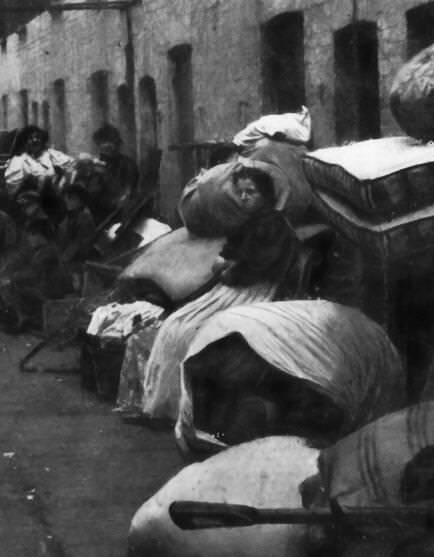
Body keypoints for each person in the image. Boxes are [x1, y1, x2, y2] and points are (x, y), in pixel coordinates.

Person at [119, 165, 299, 421]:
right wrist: (225, 260)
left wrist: (229, 269)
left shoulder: (274, 225)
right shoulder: (247, 222)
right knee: (174, 326)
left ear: (266, 196)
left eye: (252, 192)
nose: (245, 197)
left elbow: (260, 266)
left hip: (254, 292)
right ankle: (160, 407)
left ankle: (177, 411)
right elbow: (232, 250)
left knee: (184, 333)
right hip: (230, 289)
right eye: (241, 192)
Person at [0, 218, 73, 333]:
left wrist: (11, 278)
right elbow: (22, 261)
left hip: (51, 290)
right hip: (44, 286)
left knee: (10, 285)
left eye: (32, 235)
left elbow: (33, 274)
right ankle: (23, 317)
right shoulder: (42, 250)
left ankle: (23, 318)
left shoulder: (48, 252)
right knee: (10, 282)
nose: (29, 238)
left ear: (41, 236)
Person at [4, 125, 74, 196]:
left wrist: (61, 180)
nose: (35, 140)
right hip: (30, 197)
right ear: (24, 142)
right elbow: (13, 187)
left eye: (37, 137)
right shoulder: (18, 159)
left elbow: (71, 165)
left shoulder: (50, 154)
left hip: (53, 196)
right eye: (30, 138)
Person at [92, 124, 140, 213]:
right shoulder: (95, 165)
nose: (107, 145)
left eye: (110, 141)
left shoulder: (128, 164)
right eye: (102, 142)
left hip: (120, 212)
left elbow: (127, 193)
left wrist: (105, 175)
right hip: (98, 213)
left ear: (117, 143)